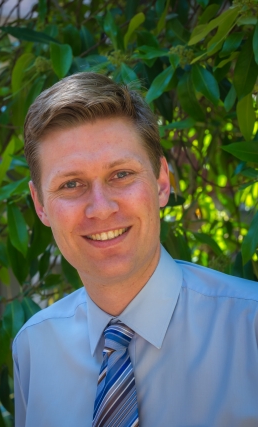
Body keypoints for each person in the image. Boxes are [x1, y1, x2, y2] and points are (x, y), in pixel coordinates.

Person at [13, 72, 258, 427]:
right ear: (40, 205)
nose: (100, 208)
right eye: (71, 184)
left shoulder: (249, 328)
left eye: (121, 175)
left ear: (161, 182)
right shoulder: (33, 348)